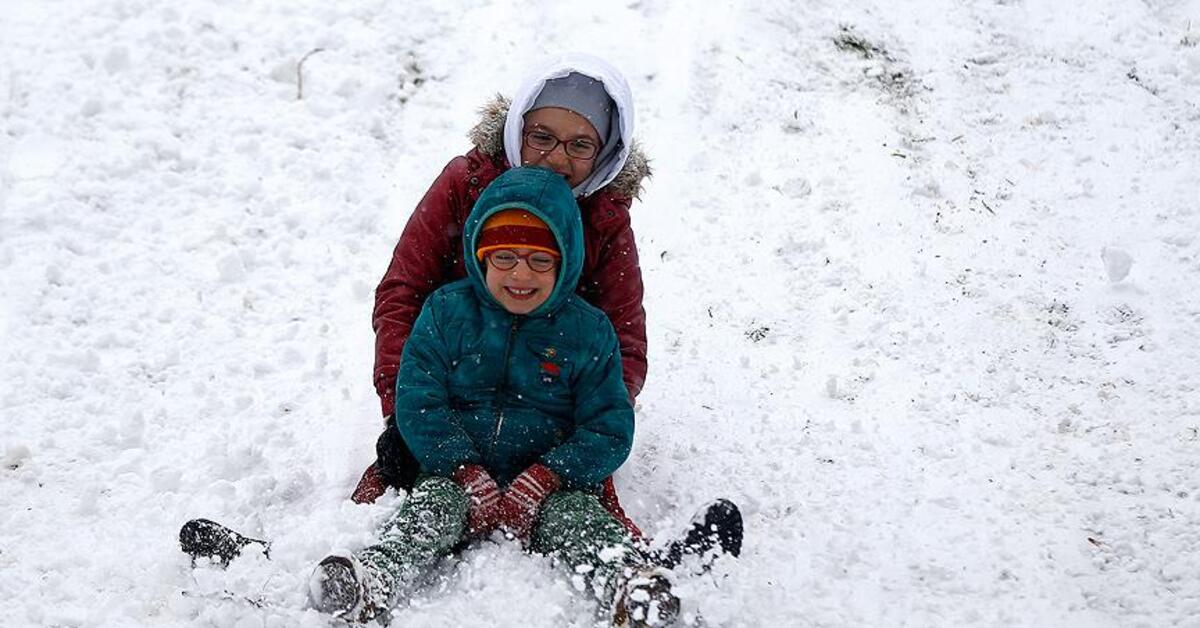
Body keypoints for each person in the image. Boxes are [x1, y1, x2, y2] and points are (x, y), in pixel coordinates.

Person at [310, 167, 678, 627]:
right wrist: (462, 469)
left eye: (540, 260)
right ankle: (375, 577)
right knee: (429, 512)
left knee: (581, 520)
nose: (520, 274)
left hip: (549, 487)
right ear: (479, 255)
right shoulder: (446, 313)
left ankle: (629, 584)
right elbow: (419, 401)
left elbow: (609, 425)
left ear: (566, 261)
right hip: (456, 477)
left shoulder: (588, 332)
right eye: (504, 256)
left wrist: (548, 476)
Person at [354, 53, 651, 540]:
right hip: (459, 378)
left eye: (580, 145)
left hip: (549, 392)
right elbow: (402, 291)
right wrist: (401, 407)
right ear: (518, 130)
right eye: (542, 137)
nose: (557, 158)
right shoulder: (467, 184)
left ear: (605, 154)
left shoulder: (604, 215)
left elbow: (624, 335)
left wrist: (590, 427)